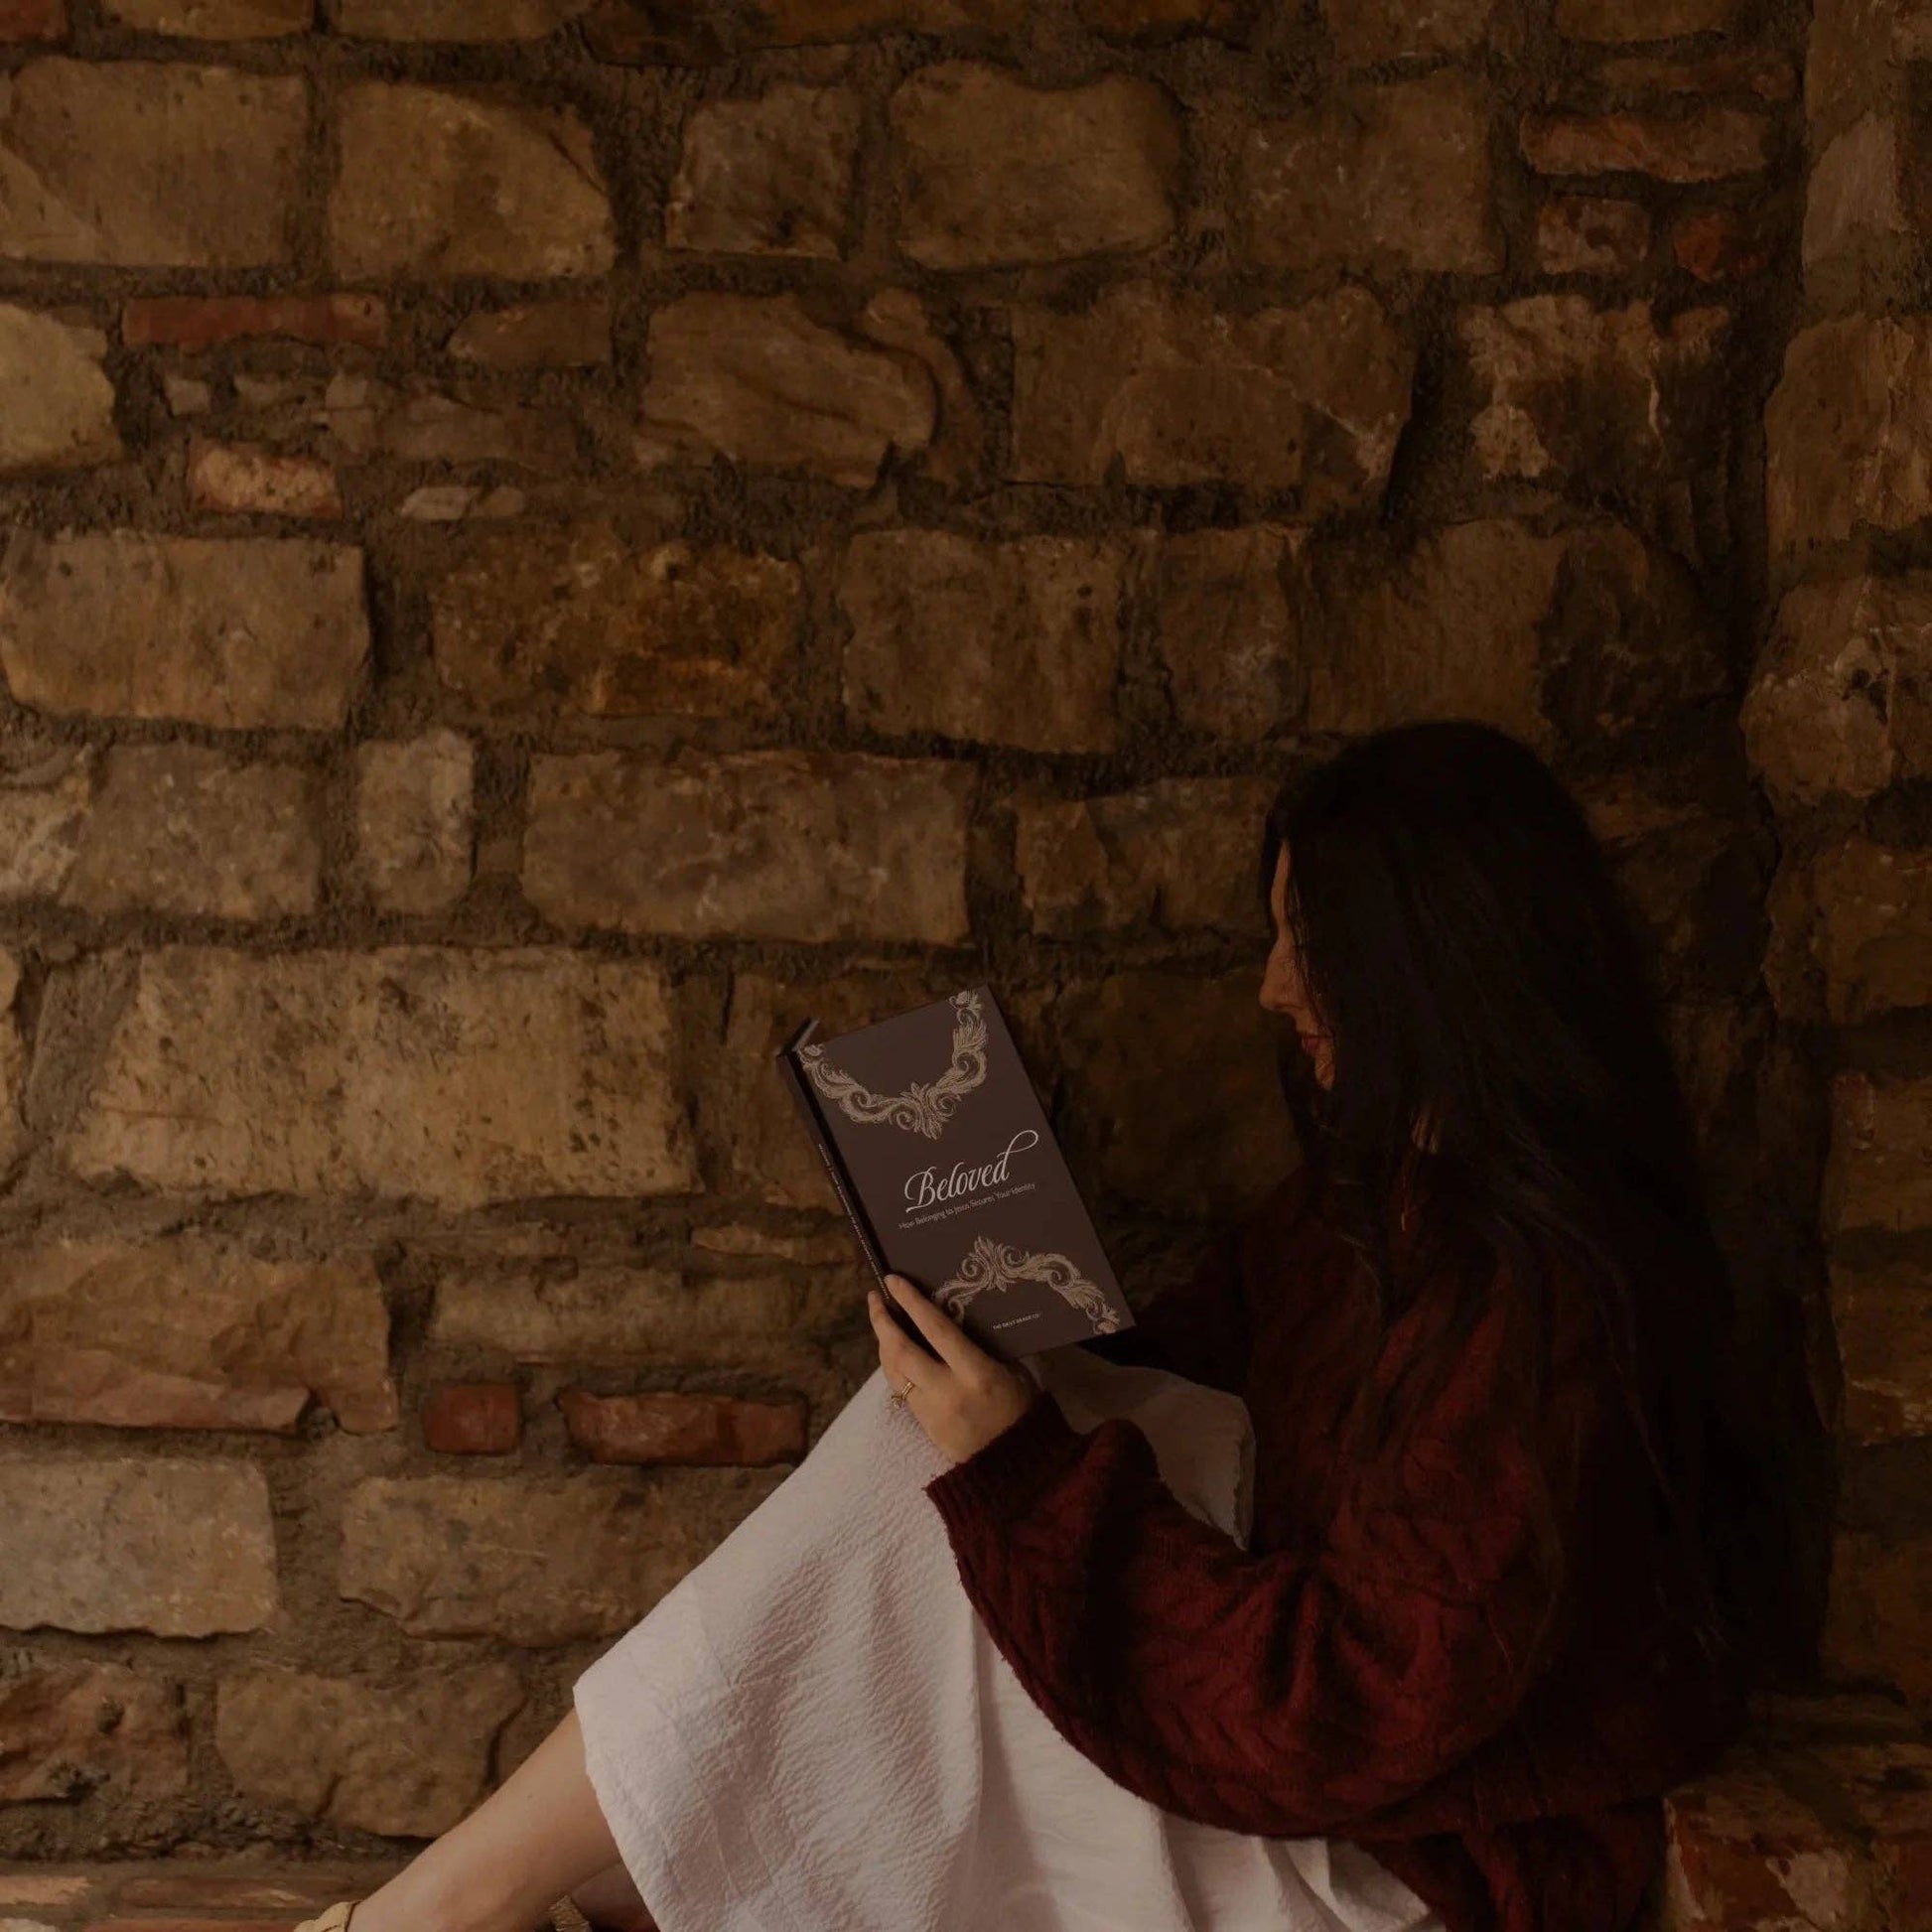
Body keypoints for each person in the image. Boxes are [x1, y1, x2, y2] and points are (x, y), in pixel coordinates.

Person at [297, 718, 1755, 1932]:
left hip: (1398, 1866)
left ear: (1424, 964)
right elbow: (1183, 1368)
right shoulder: (1378, 1205)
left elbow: (1348, 1708)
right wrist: (999, 1308)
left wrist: (1024, 1466)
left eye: (1306, 943)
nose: (1271, 989)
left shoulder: (1541, 1303)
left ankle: (453, 1908)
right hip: (1298, 1754)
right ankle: (530, 1894)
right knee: (927, 1458)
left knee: (928, 1488)